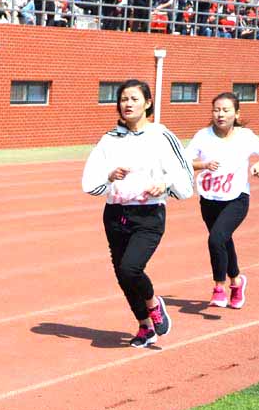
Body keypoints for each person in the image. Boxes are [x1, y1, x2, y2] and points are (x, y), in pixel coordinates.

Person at [81, 79, 195, 348]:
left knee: (130, 268)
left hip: (148, 215)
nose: (128, 104)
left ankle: (154, 304)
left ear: (148, 103)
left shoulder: (162, 136)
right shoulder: (109, 139)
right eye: (123, 99)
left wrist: (164, 184)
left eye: (134, 99)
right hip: (115, 214)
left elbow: (184, 174)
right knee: (123, 275)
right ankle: (145, 326)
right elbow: (90, 181)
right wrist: (109, 176)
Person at [185, 92, 259, 309]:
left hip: (237, 198)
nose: (220, 114)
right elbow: (184, 161)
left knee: (216, 239)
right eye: (216, 110)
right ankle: (236, 282)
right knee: (223, 241)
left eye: (226, 110)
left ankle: (219, 288)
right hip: (209, 199)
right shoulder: (203, 136)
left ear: (236, 114)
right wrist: (203, 165)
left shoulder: (245, 136)